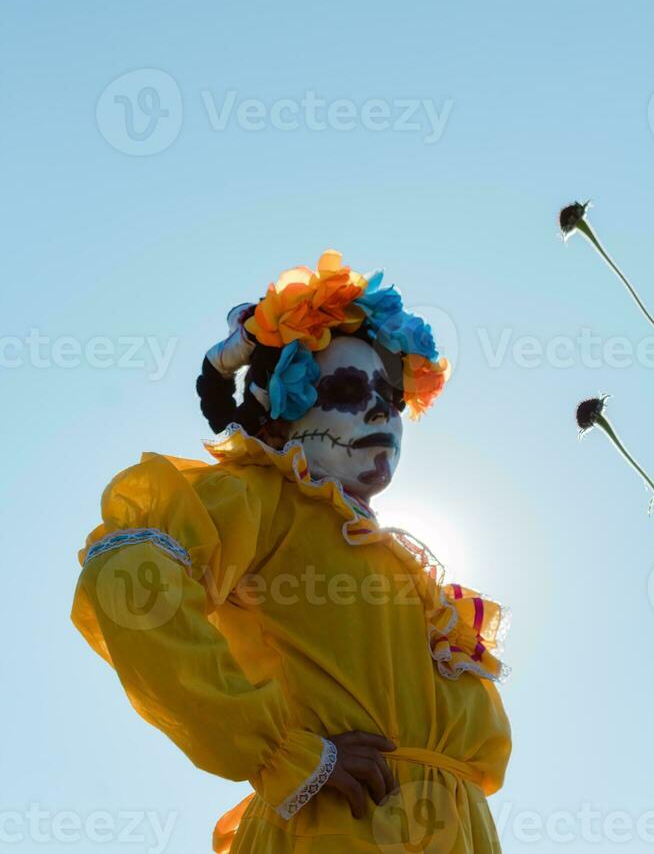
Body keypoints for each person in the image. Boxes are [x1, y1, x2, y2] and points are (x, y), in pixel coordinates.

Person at [71, 250, 511, 853]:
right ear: (278, 419)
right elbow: (128, 576)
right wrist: (288, 755)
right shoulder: (264, 499)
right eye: (349, 388)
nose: (382, 408)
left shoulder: (398, 562)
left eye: (390, 393)